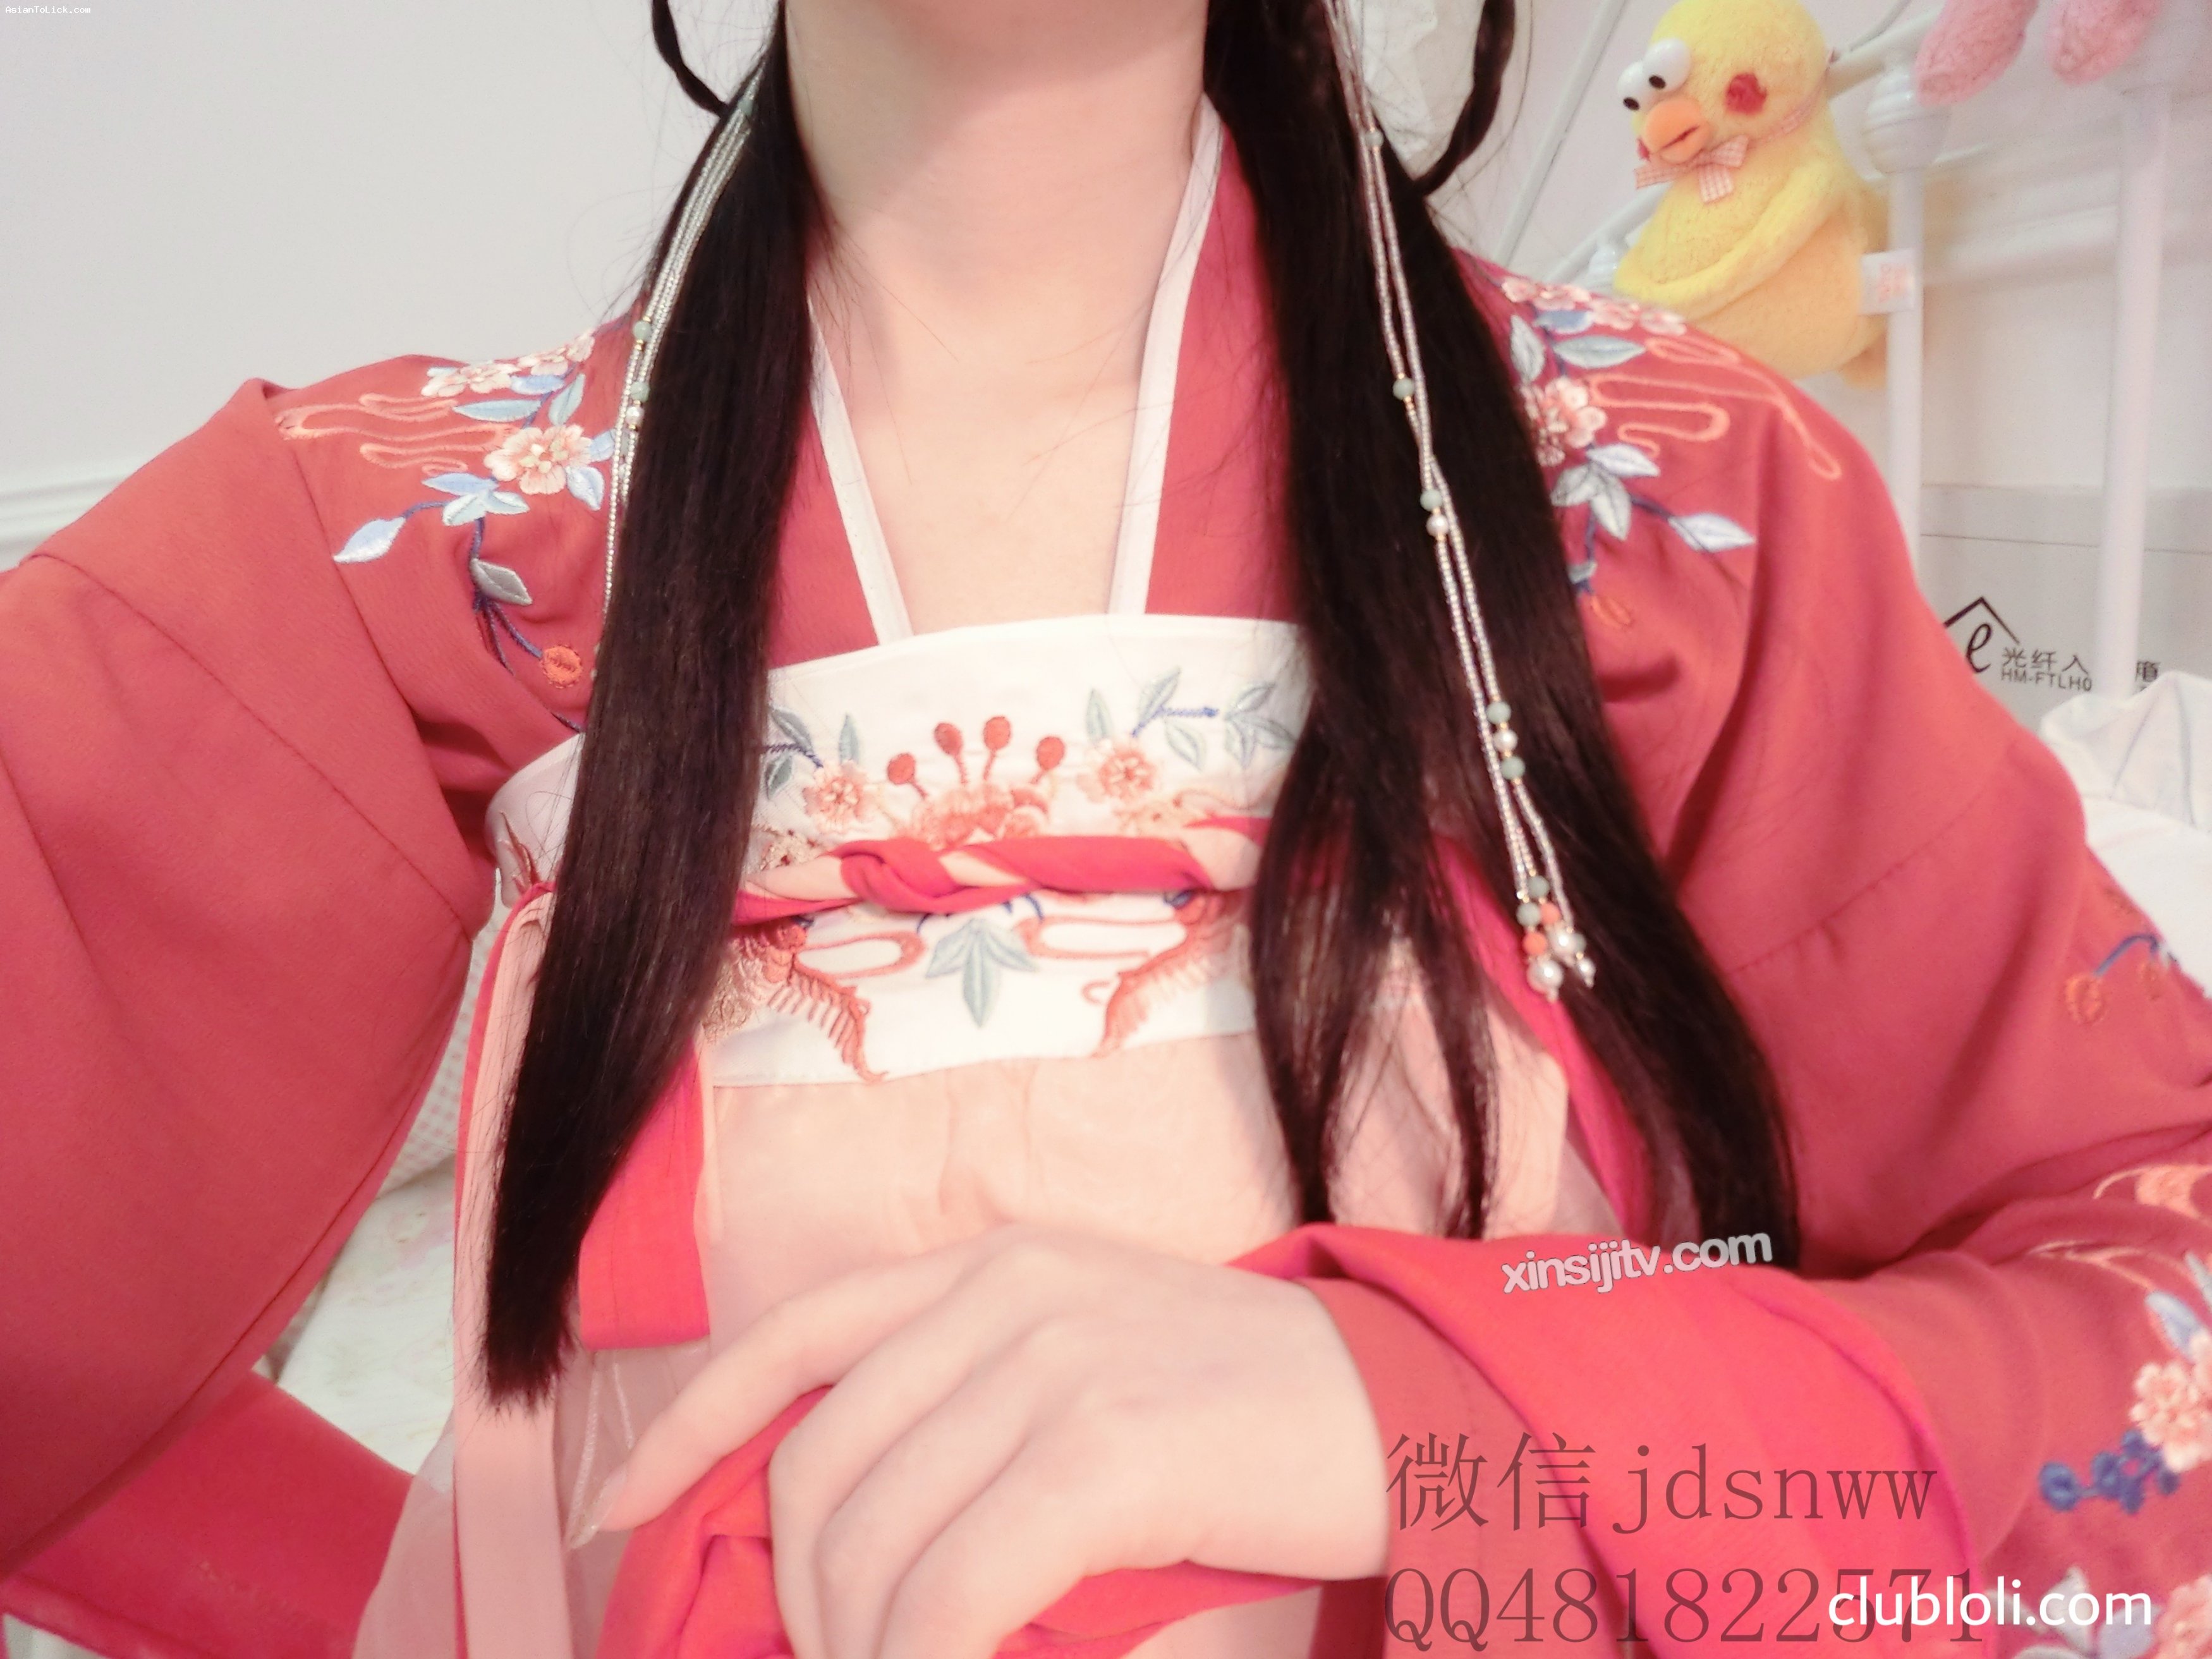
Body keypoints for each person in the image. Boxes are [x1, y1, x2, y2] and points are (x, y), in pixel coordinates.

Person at [3, 0, 2209, 1653]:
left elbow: (2157, 1344)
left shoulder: (1673, 510)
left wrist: (1453, 1418)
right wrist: (494, 1595)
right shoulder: (394, 554)